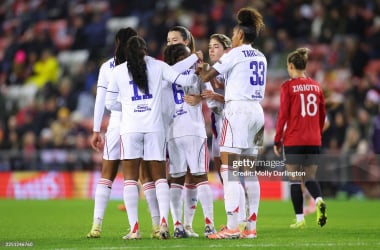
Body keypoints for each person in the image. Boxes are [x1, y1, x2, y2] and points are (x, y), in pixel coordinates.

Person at [105, 36, 198, 240]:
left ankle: (135, 229)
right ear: (145, 50)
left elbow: (109, 102)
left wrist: (129, 108)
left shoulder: (118, 71)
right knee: (160, 178)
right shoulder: (159, 66)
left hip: (130, 129)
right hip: (155, 128)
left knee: (130, 179)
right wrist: (196, 64)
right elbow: (185, 80)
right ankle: (163, 224)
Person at [199, 7, 266, 239]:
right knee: (249, 171)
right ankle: (251, 227)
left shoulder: (234, 54)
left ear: (239, 35)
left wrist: (200, 67)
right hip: (257, 111)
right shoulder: (261, 56)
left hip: (237, 111)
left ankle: (232, 226)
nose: (233, 36)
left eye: (234, 33)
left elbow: (207, 77)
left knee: (229, 169)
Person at [86, 27, 137, 238]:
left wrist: (96, 130)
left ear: (117, 42)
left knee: (107, 175)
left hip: (116, 124)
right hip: (139, 123)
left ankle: (96, 225)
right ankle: (150, 226)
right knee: (139, 176)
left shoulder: (107, 66)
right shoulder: (144, 64)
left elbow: (101, 100)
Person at [163, 43, 215, 238]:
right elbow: (210, 95)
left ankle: (178, 226)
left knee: (176, 179)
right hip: (194, 130)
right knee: (200, 177)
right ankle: (209, 225)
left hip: (173, 132)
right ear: (180, 58)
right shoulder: (195, 73)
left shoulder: (164, 75)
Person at [273, 47, 327, 229]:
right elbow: (322, 115)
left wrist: (277, 139)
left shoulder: (288, 87)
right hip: (314, 139)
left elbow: (283, 115)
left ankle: (300, 219)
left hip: (294, 139)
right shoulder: (316, 86)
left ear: (290, 66)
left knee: (295, 179)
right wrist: (317, 133)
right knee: (310, 177)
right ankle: (319, 199)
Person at [201, 33, 247, 230]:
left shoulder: (231, 69)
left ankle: (241, 218)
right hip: (217, 124)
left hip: (231, 120)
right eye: (210, 46)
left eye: (216, 46)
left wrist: (216, 97)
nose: (211, 49)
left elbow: (236, 97)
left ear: (226, 49)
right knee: (223, 173)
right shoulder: (213, 72)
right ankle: (237, 217)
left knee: (231, 173)